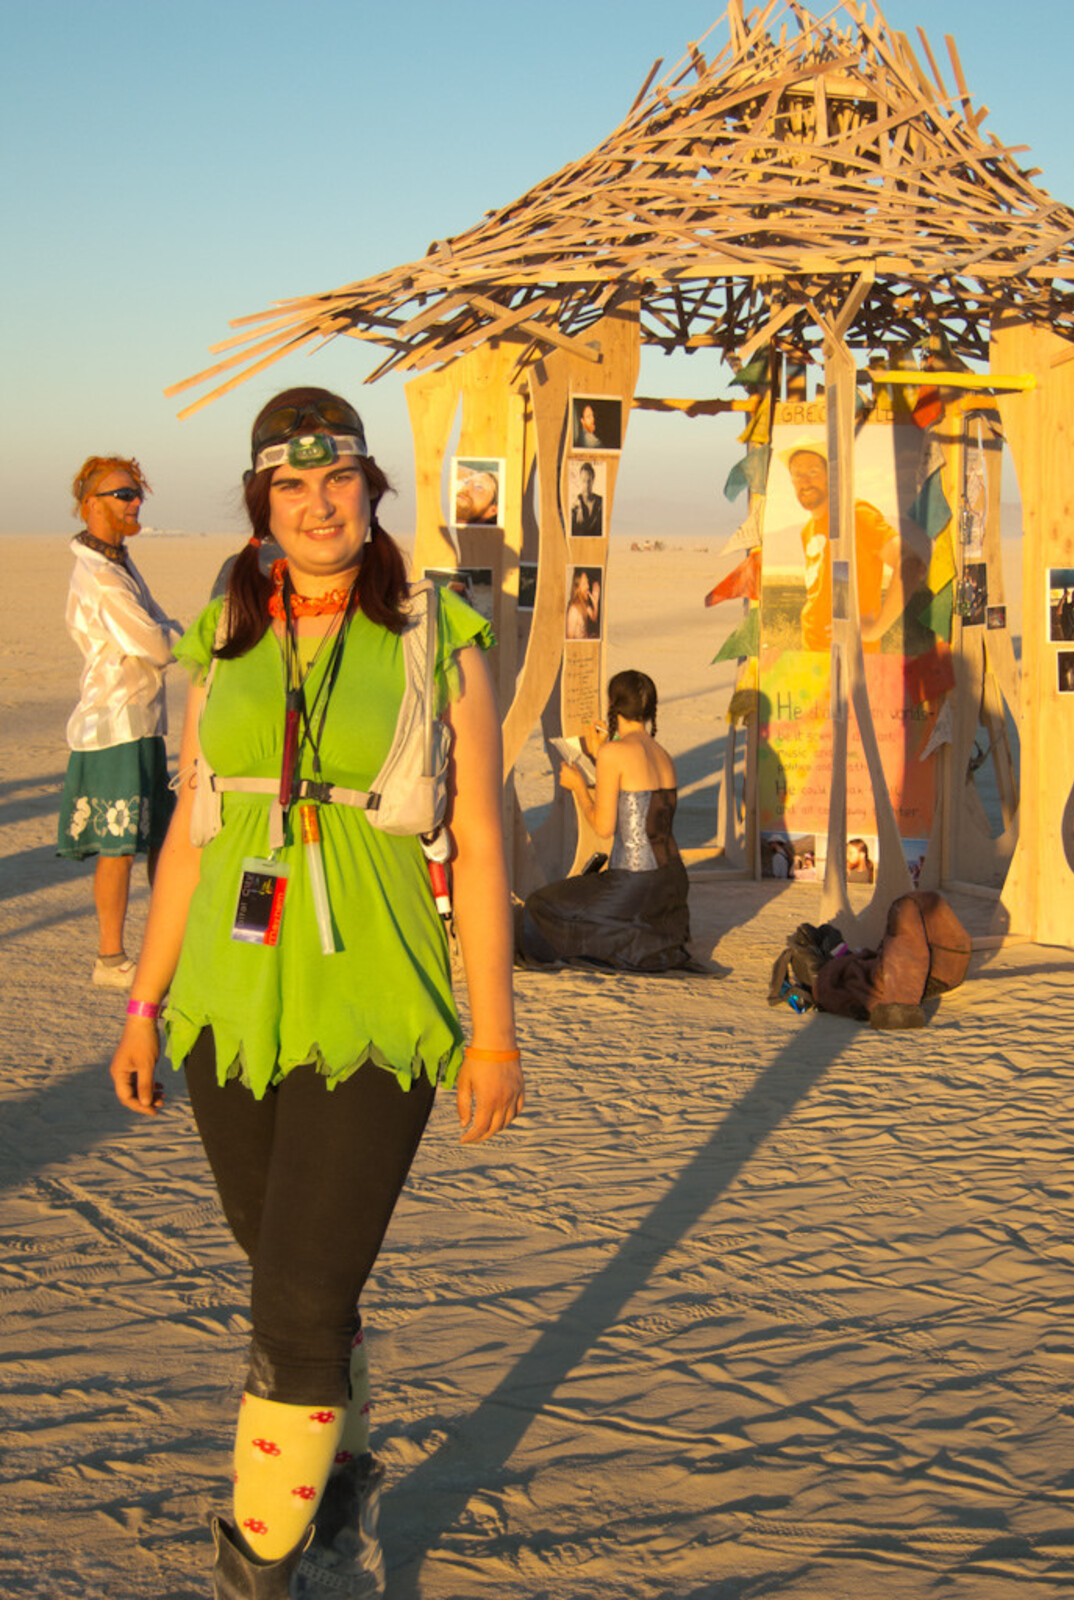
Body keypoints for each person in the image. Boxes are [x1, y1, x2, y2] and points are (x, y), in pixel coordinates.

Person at [106, 388, 522, 1598]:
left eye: (335, 479)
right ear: (260, 500)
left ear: (370, 487)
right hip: (227, 1009)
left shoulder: (436, 631)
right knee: (290, 1272)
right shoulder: (220, 631)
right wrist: (143, 1005)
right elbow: (192, 826)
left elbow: (485, 846)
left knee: (293, 1307)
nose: (317, 503)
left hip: (374, 999)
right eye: (289, 486)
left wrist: (491, 1034)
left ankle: (255, 1570)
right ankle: (333, 1474)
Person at [57, 455, 181, 987]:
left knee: (162, 837)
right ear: (91, 505)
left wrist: (171, 629)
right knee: (119, 847)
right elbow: (154, 642)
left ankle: (165, 941)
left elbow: (157, 624)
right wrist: (187, 637)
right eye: (123, 495)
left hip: (142, 719)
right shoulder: (102, 576)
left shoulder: (117, 563)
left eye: (137, 494)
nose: (135, 503)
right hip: (114, 724)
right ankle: (110, 959)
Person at [518, 670, 693, 971]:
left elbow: (603, 826)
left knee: (540, 906)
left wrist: (578, 789)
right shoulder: (662, 755)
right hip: (672, 882)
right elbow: (636, 800)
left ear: (613, 706)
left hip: (634, 883)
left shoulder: (614, 752)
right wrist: (601, 758)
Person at [784, 445, 925, 653]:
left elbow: (910, 563)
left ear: (830, 476)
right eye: (797, 475)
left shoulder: (853, 516)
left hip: (852, 658)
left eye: (813, 472)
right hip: (813, 656)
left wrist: (876, 630)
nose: (804, 481)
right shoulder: (808, 530)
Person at [570, 461, 603, 536]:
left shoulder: (601, 502)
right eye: (584, 481)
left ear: (593, 480)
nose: (586, 485)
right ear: (580, 480)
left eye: (589, 481)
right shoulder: (575, 506)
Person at [566, 568, 600, 640]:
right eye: (584, 584)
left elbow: (594, 618)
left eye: (587, 582)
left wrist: (595, 603)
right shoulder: (573, 610)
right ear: (577, 588)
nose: (588, 586)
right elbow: (569, 639)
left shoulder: (584, 603)